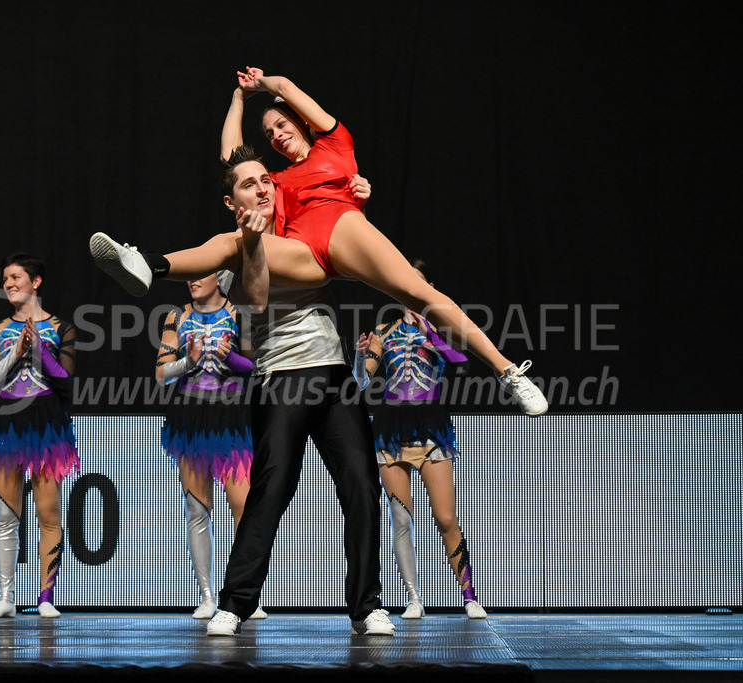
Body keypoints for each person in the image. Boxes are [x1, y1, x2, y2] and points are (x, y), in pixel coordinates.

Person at [90, 67, 546, 417]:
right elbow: (231, 157)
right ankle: (148, 265)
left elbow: (286, 87)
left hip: (341, 229)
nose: (277, 135)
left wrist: (261, 85)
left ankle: (506, 371)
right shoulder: (276, 182)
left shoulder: (335, 146)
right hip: (306, 254)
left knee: (418, 293)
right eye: (269, 133)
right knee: (234, 242)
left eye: (283, 126)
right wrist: (236, 100)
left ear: (302, 123)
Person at [204, 146, 394, 637]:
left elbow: (343, 238)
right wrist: (252, 239)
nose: (263, 187)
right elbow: (256, 297)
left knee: (361, 484)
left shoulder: (301, 231)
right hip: (281, 379)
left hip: (333, 375)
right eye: (248, 184)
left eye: (266, 179)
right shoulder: (233, 250)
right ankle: (235, 603)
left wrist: (356, 203)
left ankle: (366, 605)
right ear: (232, 203)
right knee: (270, 491)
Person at [354, 259, 487, 620]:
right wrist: (358, 356)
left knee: (446, 517)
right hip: (391, 429)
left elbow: (460, 359)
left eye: (418, 283)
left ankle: (470, 595)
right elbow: (361, 381)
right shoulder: (384, 330)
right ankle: (413, 597)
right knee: (401, 519)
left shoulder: (442, 327)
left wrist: (430, 331)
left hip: (431, 428)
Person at [0, 253, 78, 618]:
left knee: (48, 513)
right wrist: (15, 353)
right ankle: (5, 597)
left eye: (16, 277)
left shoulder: (61, 327)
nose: (8, 283)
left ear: (35, 282)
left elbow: (66, 381)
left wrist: (38, 351)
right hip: (6, 425)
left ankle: (46, 596)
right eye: (5, 278)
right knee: (6, 515)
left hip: (46, 425)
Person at [156, 273, 265, 619]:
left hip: (231, 418)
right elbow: (161, 373)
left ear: (220, 278)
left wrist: (230, 358)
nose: (192, 281)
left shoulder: (238, 314)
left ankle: (244, 594)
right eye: (191, 276)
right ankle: (206, 595)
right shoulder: (177, 316)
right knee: (197, 509)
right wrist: (189, 361)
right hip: (191, 419)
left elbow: (256, 367)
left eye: (200, 275)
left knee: (244, 509)